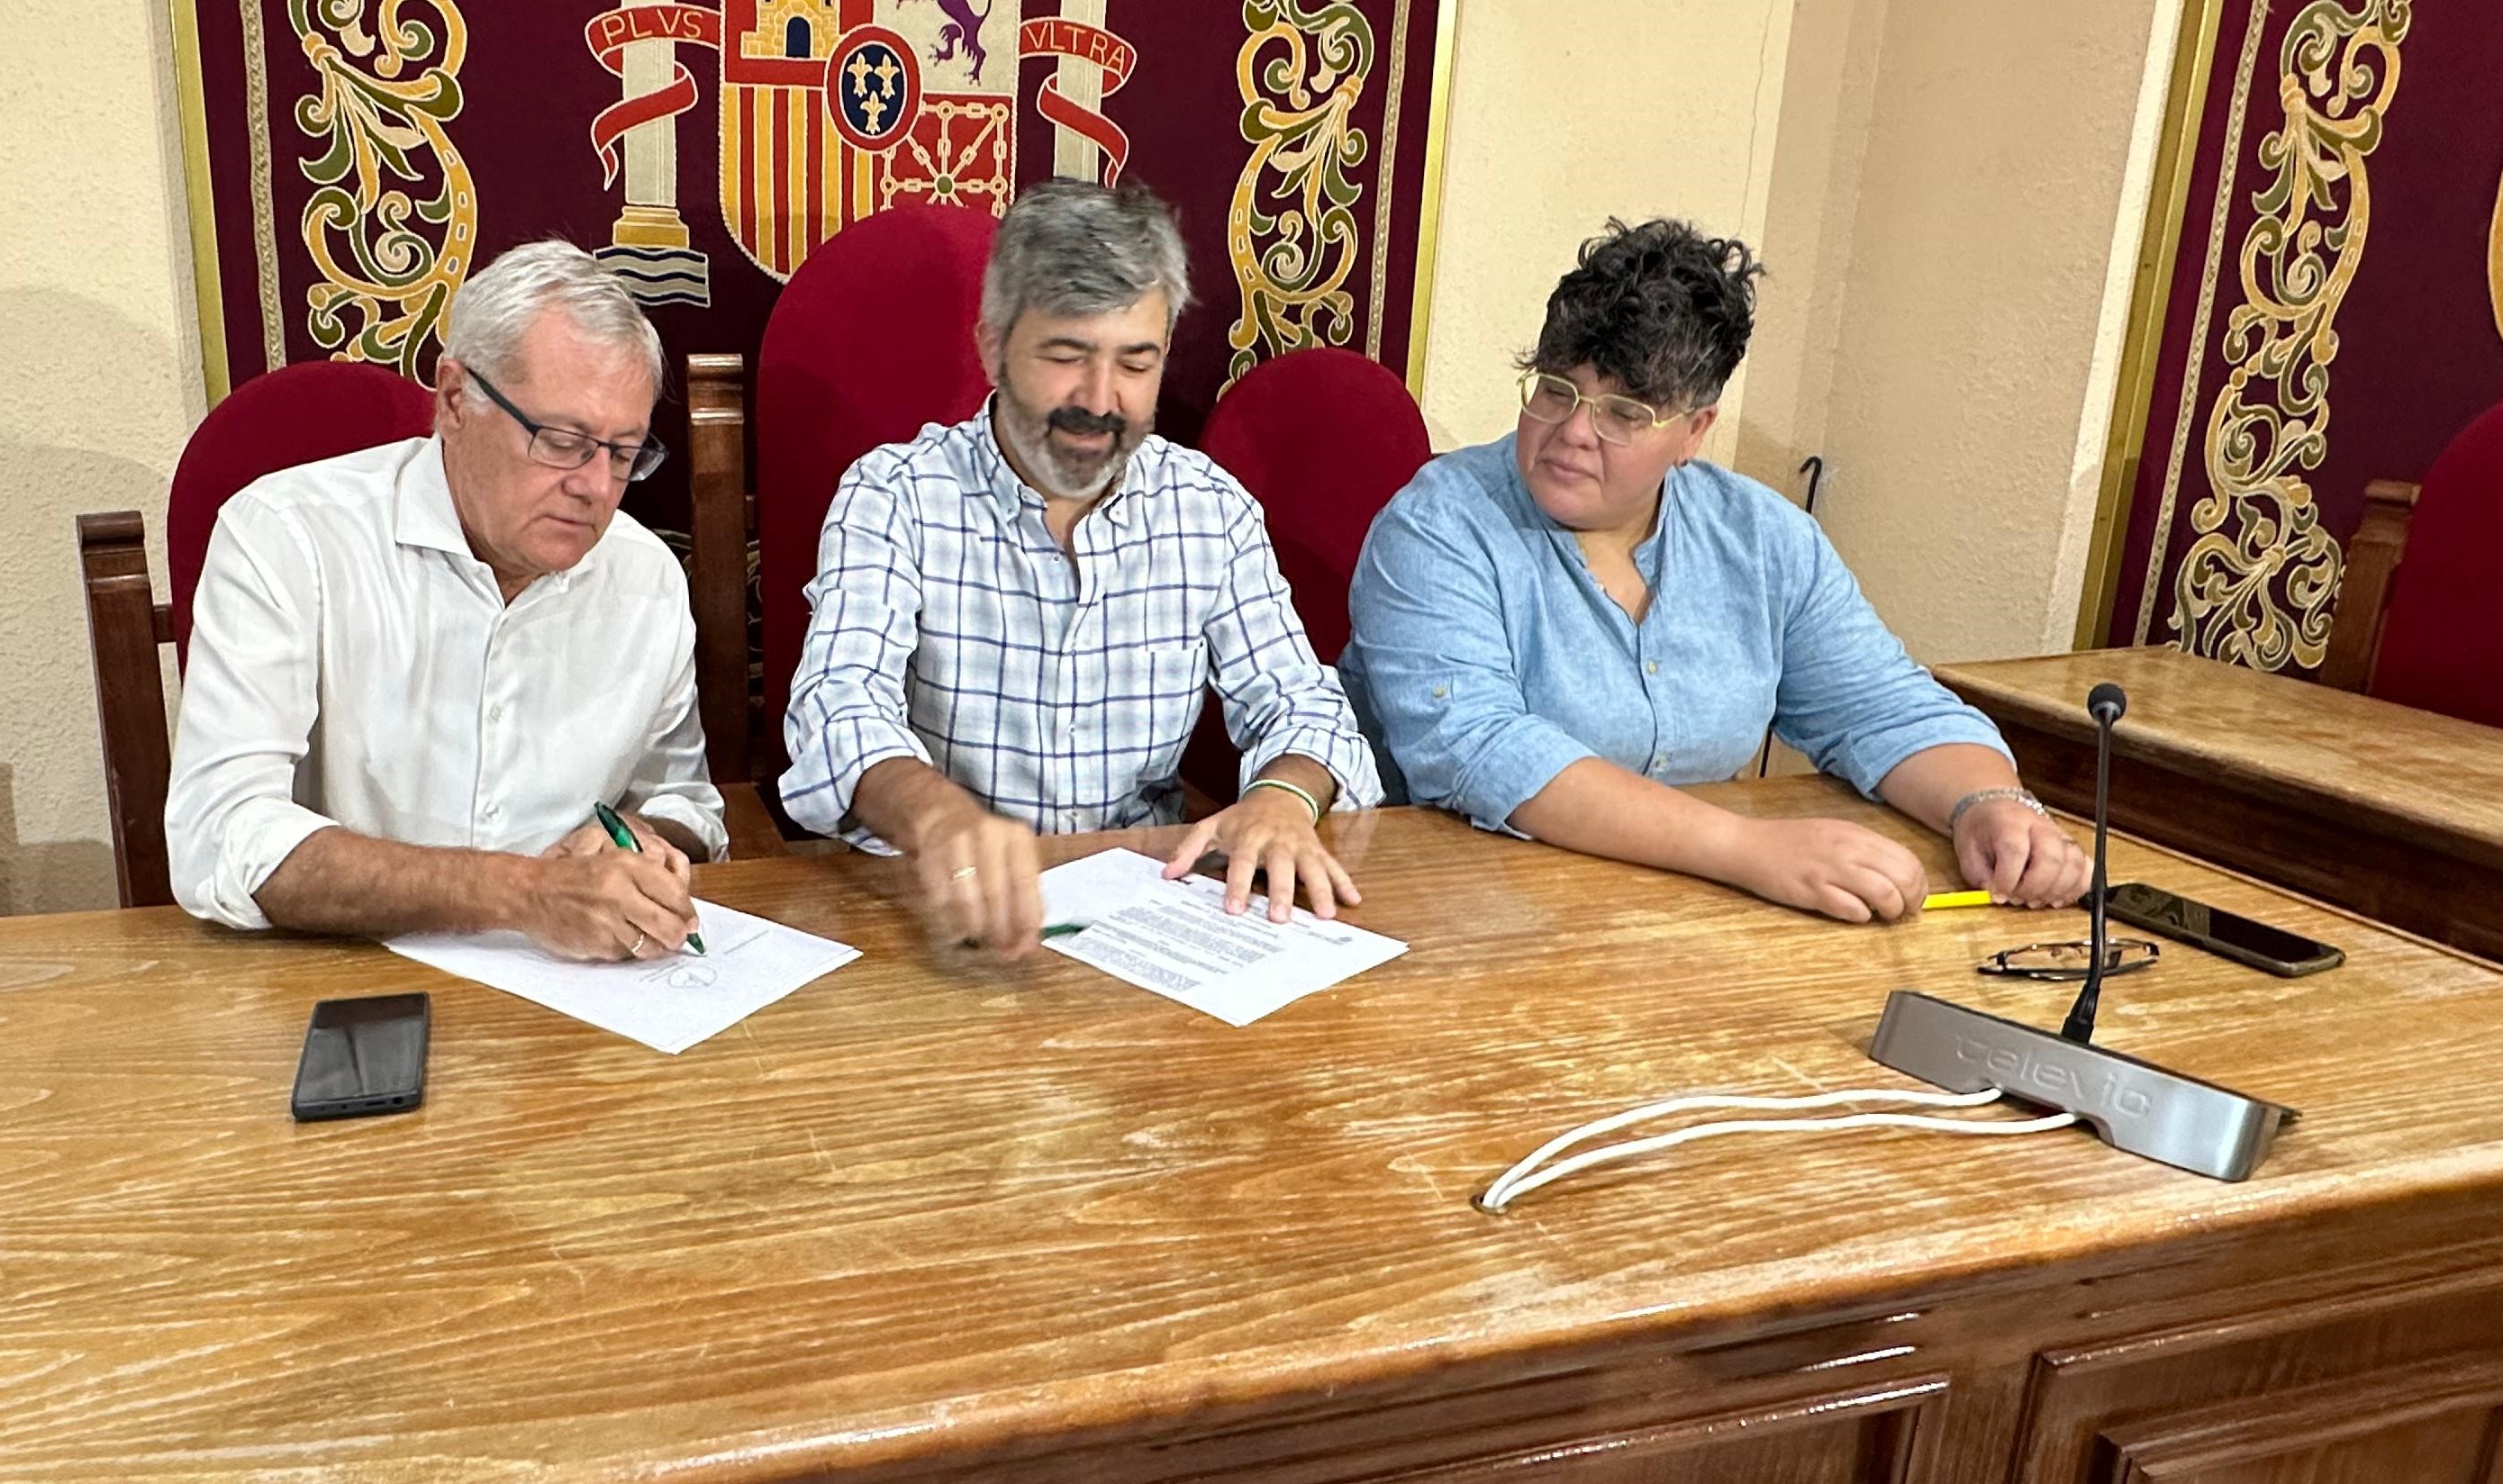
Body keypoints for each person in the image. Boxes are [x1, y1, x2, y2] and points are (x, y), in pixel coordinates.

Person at [1343, 218, 2090, 921]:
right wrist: (1744, 848)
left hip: (1682, 918)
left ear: (1694, 430)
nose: (1572, 432)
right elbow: (1481, 751)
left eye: (1625, 415)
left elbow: (1883, 709)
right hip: (1460, 909)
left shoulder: (1761, 539)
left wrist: (1989, 805)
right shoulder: (1438, 523)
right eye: (1554, 391)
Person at [777, 179, 1379, 955]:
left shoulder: (1208, 508)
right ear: (992, 345)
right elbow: (836, 703)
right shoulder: (895, 495)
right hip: (933, 909)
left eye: (1137, 362)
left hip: (1147, 912)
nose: (1101, 400)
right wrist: (935, 813)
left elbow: (1304, 705)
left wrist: (1282, 795)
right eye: (1067, 356)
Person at [165, 240, 722, 959]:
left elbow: (686, 800)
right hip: (339, 976)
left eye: (622, 453)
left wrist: (651, 839)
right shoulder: (290, 537)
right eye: (561, 441)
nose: (594, 486)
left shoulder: (645, 576)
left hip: (585, 989)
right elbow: (221, 834)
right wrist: (521, 893)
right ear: (456, 399)